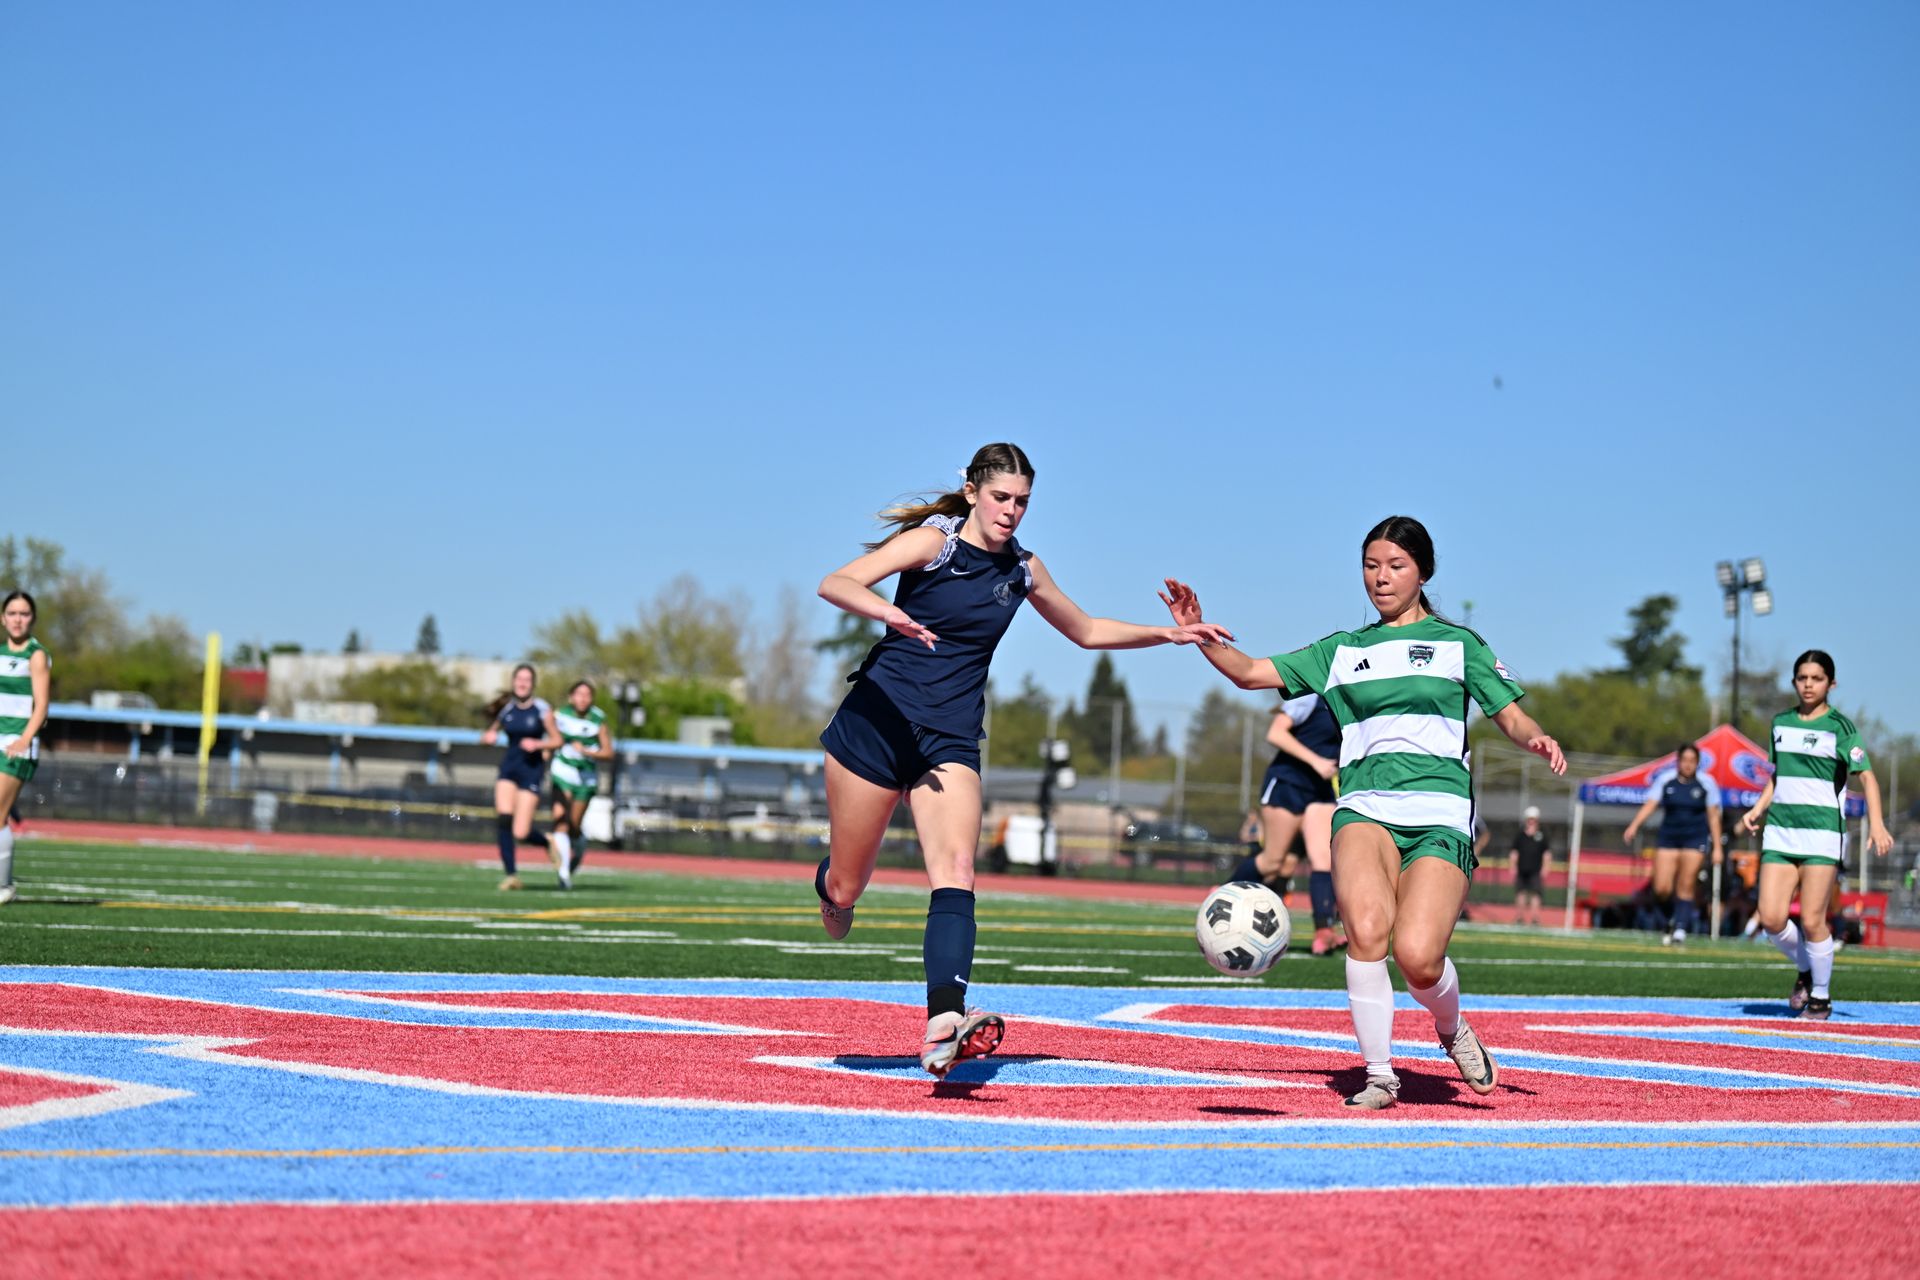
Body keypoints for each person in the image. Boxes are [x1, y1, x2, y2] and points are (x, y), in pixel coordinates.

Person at [813, 443, 1228, 1079]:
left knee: (955, 866)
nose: (1012, 511)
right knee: (846, 890)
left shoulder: (1024, 568)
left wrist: (1168, 633)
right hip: (876, 723)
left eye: (1023, 502)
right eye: (1002, 497)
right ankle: (830, 885)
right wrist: (890, 611)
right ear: (974, 490)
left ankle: (943, 1021)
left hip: (948, 738)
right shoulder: (934, 545)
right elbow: (835, 582)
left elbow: (1085, 630)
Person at [1162, 514, 1565, 1110]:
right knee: (1368, 933)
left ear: (1423, 572)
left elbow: (1509, 713)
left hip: (1440, 813)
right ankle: (1380, 1075)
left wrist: (1534, 738)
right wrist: (1199, 631)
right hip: (1363, 808)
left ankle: (1452, 1027)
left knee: (1420, 958)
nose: (1381, 577)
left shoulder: (1460, 645)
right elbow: (1251, 674)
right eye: (1371, 566)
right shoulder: (1343, 651)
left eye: (1396, 566)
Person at [1739, 650, 1894, 1020]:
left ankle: (1821, 998)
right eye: (1802, 677)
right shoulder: (1780, 723)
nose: (1808, 684)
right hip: (1780, 830)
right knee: (1771, 917)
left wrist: (1877, 823)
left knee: (1812, 920)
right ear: (1794, 682)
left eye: (1817, 678)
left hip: (1822, 834)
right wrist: (1759, 807)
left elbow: (1867, 777)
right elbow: (1780, 774)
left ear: (1831, 684)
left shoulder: (1841, 727)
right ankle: (1807, 971)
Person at [1235, 694, 1344, 955]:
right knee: (1274, 862)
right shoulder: (1311, 698)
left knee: (1324, 860)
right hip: (1288, 783)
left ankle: (1323, 932)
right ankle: (1225, 894)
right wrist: (1316, 761)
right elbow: (1276, 733)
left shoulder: (1354, 700)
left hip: (1320, 790)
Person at [1621, 742, 1722, 945]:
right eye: (1684, 760)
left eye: (1692, 761)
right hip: (1669, 838)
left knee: (1686, 884)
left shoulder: (1707, 783)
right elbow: (1650, 804)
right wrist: (1634, 826)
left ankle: (1680, 930)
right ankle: (1669, 920)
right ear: (1678, 762)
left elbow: (1713, 817)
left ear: (1697, 763)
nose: (1687, 765)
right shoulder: (1666, 780)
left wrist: (1718, 847)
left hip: (1695, 839)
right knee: (1662, 888)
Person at [480, 663, 561, 890]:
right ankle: (511, 875)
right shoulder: (506, 709)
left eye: (527, 680)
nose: (522, 683)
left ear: (532, 684)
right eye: (519, 679)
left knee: (521, 832)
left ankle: (546, 841)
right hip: (509, 769)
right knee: (504, 818)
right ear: (513, 682)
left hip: (531, 772)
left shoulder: (542, 709)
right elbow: (489, 733)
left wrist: (539, 743)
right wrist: (487, 738)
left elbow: (557, 740)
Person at [0, 591, 50, 907]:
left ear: (32, 618)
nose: (18, 619)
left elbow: (42, 705)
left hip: (18, 746)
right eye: (13, 613)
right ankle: (4, 884)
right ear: (3, 618)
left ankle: (3, 886)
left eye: (24, 613)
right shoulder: (1, 653)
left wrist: (24, 739)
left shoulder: (36, 654)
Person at [547, 679, 613, 889]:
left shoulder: (598, 719)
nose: (582, 698)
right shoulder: (559, 716)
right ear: (571, 696)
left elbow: (608, 752)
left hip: (585, 778)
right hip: (562, 772)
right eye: (579, 694)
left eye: (587, 695)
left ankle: (579, 844)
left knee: (574, 825)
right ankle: (564, 872)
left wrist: (586, 751)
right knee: (561, 820)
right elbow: (550, 740)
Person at [1505, 806, 1551, 927]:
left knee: (1536, 893)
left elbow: (1547, 854)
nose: (1531, 822)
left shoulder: (1542, 836)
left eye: (1534, 819)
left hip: (1536, 870)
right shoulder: (1520, 835)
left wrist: (1545, 868)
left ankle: (1535, 918)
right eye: (1530, 819)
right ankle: (1519, 917)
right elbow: (1514, 852)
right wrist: (1513, 866)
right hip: (1522, 869)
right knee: (1521, 893)